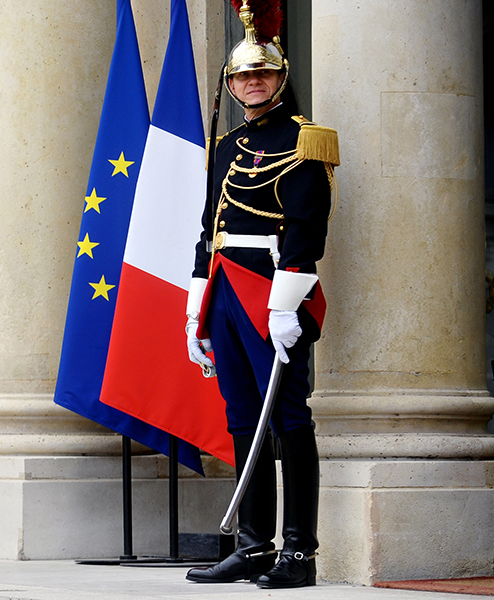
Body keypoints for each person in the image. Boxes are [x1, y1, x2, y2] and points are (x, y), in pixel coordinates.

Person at [183, 0, 338, 590]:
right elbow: (210, 228)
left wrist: (285, 304)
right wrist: (195, 307)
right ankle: (252, 548)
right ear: (231, 83)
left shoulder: (308, 141)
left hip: (274, 293)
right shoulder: (223, 147)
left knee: (291, 418)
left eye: (263, 73)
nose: (252, 82)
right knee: (243, 419)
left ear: (281, 76)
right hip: (225, 291)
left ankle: (300, 553)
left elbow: (305, 230)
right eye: (243, 75)